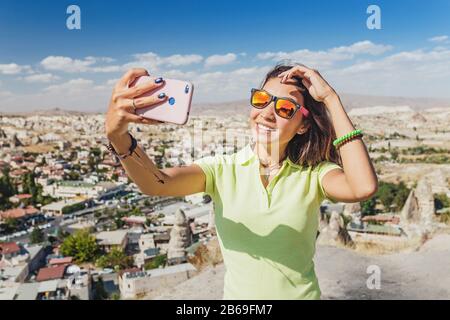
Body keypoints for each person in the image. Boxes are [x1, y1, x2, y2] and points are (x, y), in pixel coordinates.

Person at [105, 62, 378, 299]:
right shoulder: (223, 169)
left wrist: (330, 98)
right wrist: (118, 137)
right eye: (261, 100)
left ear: (304, 125)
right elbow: (157, 183)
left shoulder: (314, 175)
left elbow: (363, 187)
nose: (267, 113)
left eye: (285, 108)